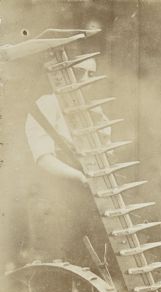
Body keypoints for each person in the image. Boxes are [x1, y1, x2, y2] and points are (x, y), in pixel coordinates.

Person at [25, 57, 111, 264]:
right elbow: (43, 158)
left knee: (94, 253)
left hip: (83, 192)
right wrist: (79, 176)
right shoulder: (48, 103)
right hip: (54, 193)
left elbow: (106, 152)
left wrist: (102, 128)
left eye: (90, 74)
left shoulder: (90, 110)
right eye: (79, 72)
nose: (85, 79)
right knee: (61, 256)